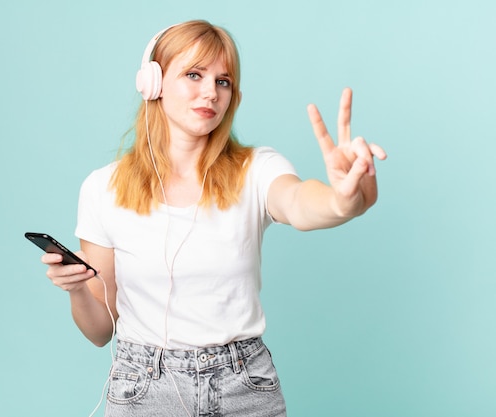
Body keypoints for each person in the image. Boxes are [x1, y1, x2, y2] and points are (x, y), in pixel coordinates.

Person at [41, 20, 386, 417]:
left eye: (223, 81)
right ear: (152, 82)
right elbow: (101, 330)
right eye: (194, 74)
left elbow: (299, 202)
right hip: (145, 388)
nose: (211, 92)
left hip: (244, 385)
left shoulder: (256, 169)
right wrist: (77, 290)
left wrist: (345, 200)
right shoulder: (103, 188)